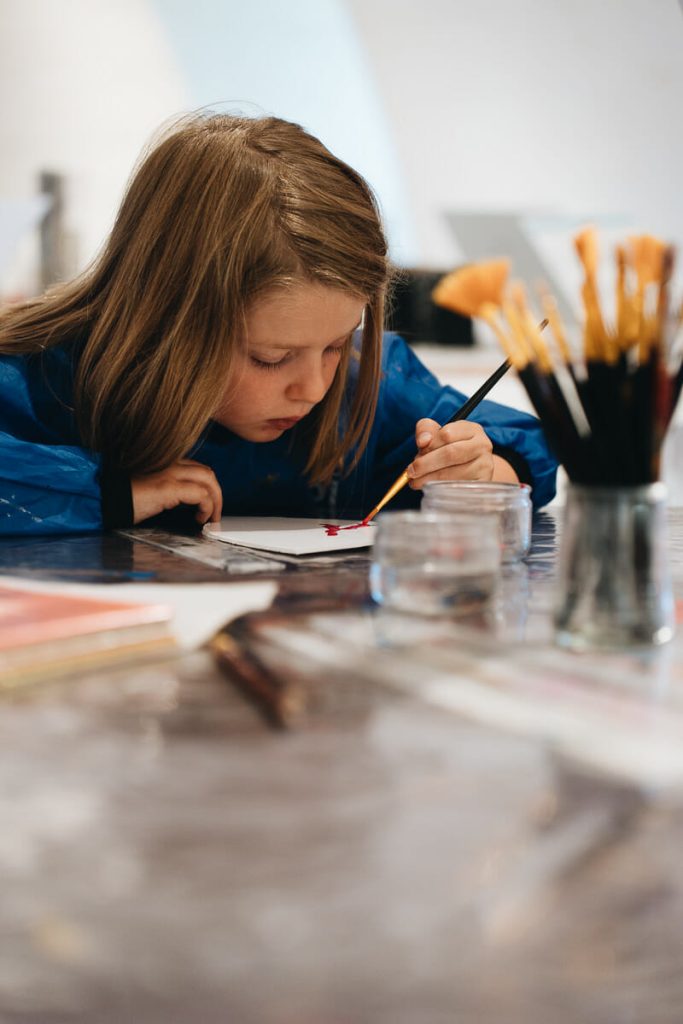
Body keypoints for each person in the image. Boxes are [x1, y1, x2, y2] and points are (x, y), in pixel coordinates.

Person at [0, 113, 557, 537]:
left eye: (336, 344)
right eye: (270, 358)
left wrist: (486, 472)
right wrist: (107, 493)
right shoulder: (48, 378)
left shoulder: (373, 381)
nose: (313, 388)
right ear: (168, 317)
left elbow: (529, 445)